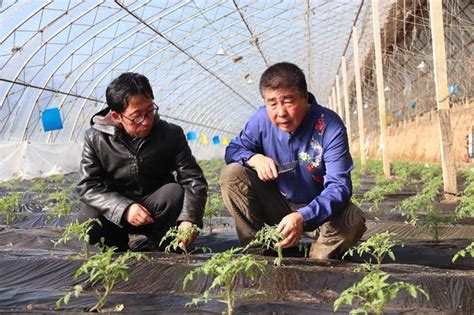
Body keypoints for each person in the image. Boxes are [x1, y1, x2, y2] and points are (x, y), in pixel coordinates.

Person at [220, 62, 366, 259]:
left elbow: (339, 186)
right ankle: (258, 254)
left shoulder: (329, 126)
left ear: (305, 97)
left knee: (352, 218)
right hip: (278, 205)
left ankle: (319, 260)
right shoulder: (260, 120)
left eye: (288, 101)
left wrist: (303, 216)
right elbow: (233, 149)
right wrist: (254, 158)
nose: (281, 112)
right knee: (232, 174)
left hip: (319, 212)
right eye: (272, 103)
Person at [77, 72, 207, 251]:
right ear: (117, 116)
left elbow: (193, 179)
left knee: (174, 193)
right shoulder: (96, 138)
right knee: (88, 216)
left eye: (150, 110)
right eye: (137, 116)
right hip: (116, 215)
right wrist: (124, 208)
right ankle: (116, 250)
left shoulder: (170, 134)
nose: (146, 122)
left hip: (156, 210)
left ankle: (167, 246)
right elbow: (88, 186)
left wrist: (190, 218)